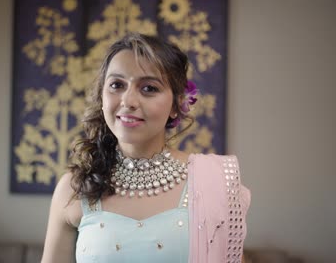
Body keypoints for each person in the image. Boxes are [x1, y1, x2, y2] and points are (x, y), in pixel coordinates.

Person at [41, 33, 250, 263]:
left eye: (149, 88)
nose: (128, 101)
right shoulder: (74, 188)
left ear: (176, 104)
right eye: (116, 85)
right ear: (102, 97)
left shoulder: (216, 183)